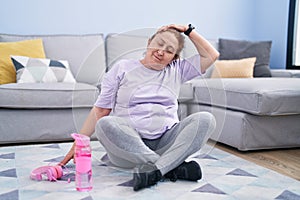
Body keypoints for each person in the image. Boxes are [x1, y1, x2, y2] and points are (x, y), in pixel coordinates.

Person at [59, 24, 219, 191]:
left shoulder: (177, 70)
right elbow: (100, 110)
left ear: (174, 58)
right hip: (127, 150)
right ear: (149, 42)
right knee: (105, 124)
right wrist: (77, 143)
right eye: (159, 43)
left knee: (206, 119)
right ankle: (171, 167)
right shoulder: (122, 68)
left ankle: (155, 171)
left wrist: (188, 30)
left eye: (169, 50)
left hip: (166, 144)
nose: (161, 51)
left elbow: (211, 55)